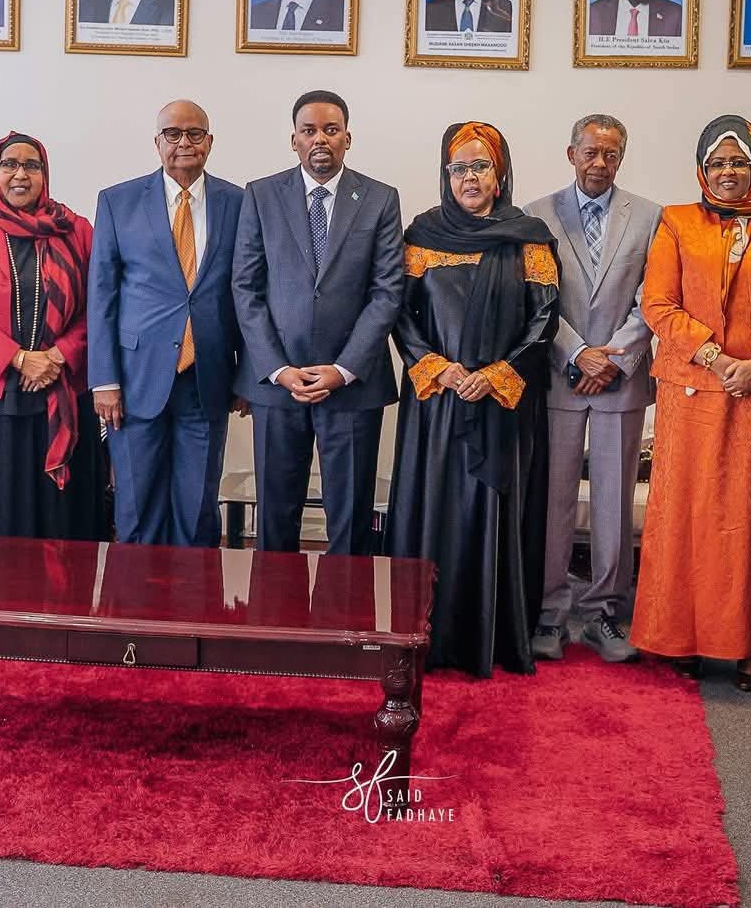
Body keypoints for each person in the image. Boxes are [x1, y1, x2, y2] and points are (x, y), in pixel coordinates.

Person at [629, 115, 751, 689]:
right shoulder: (677, 222)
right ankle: (683, 636)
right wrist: (716, 358)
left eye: (739, 162)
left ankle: (749, 642)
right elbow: (659, 303)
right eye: (718, 162)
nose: (728, 172)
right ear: (702, 168)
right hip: (692, 392)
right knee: (687, 516)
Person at [388, 122, 559, 677]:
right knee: (434, 509)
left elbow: (544, 319)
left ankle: (490, 636)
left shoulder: (527, 237)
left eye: (480, 166)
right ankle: (426, 636)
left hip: (501, 404)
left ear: (499, 173)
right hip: (437, 403)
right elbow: (400, 315)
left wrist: (497, 375)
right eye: (459, 167)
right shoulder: (422, 234)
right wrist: (438, 368)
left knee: (492, 513)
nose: (469, 177)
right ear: (446, 174)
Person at [232, 90, 403, 555]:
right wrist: (278, 369)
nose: (320, 139)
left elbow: (387, 292)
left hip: (351, 384)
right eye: (309, 131)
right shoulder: (261, 195)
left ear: (348, 137)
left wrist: (343, 369)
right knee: (274, 518)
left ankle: (344, 605)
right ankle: (276, 602)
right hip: (278, 383)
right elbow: (245, 288)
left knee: (350, 520)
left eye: (331, 130)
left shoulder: (380, 199)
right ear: (294, 140)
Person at [523, 114, 661, 662]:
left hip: (620, 381)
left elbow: (654, 297)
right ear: (571, 154)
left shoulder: (650, 216)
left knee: (614, 501)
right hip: (559, 377)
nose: (600, 163)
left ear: (621, 158)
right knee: (553, 499)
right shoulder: (535, 215)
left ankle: (606, 613)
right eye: (590, 152)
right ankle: (550, 612)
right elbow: (536, 297)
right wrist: (578, 352)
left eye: (611, 154)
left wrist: (613, 358)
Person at [0, 132, 104, 545]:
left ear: (45, 174)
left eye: (32, 165)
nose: (20, 174)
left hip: (59, 392)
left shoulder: (76, 230)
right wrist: (20, 358)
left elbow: (99, 306)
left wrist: (58, 356)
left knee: (58, 521)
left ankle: (58, 587)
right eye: (10, 164)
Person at [89, 101, 244, 546]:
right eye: (173, 134)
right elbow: (102, 295)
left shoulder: (238, 203)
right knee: (138, 511)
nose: (184, 143)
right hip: (135, 381)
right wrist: (103, 380)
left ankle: (194, 593)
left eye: (195, 134)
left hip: (208, 377)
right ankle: (138, 593)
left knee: (198, 513)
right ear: (157, 142)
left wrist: (247, 376)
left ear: (210, 142)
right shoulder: (118, 202)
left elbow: (249, 292)